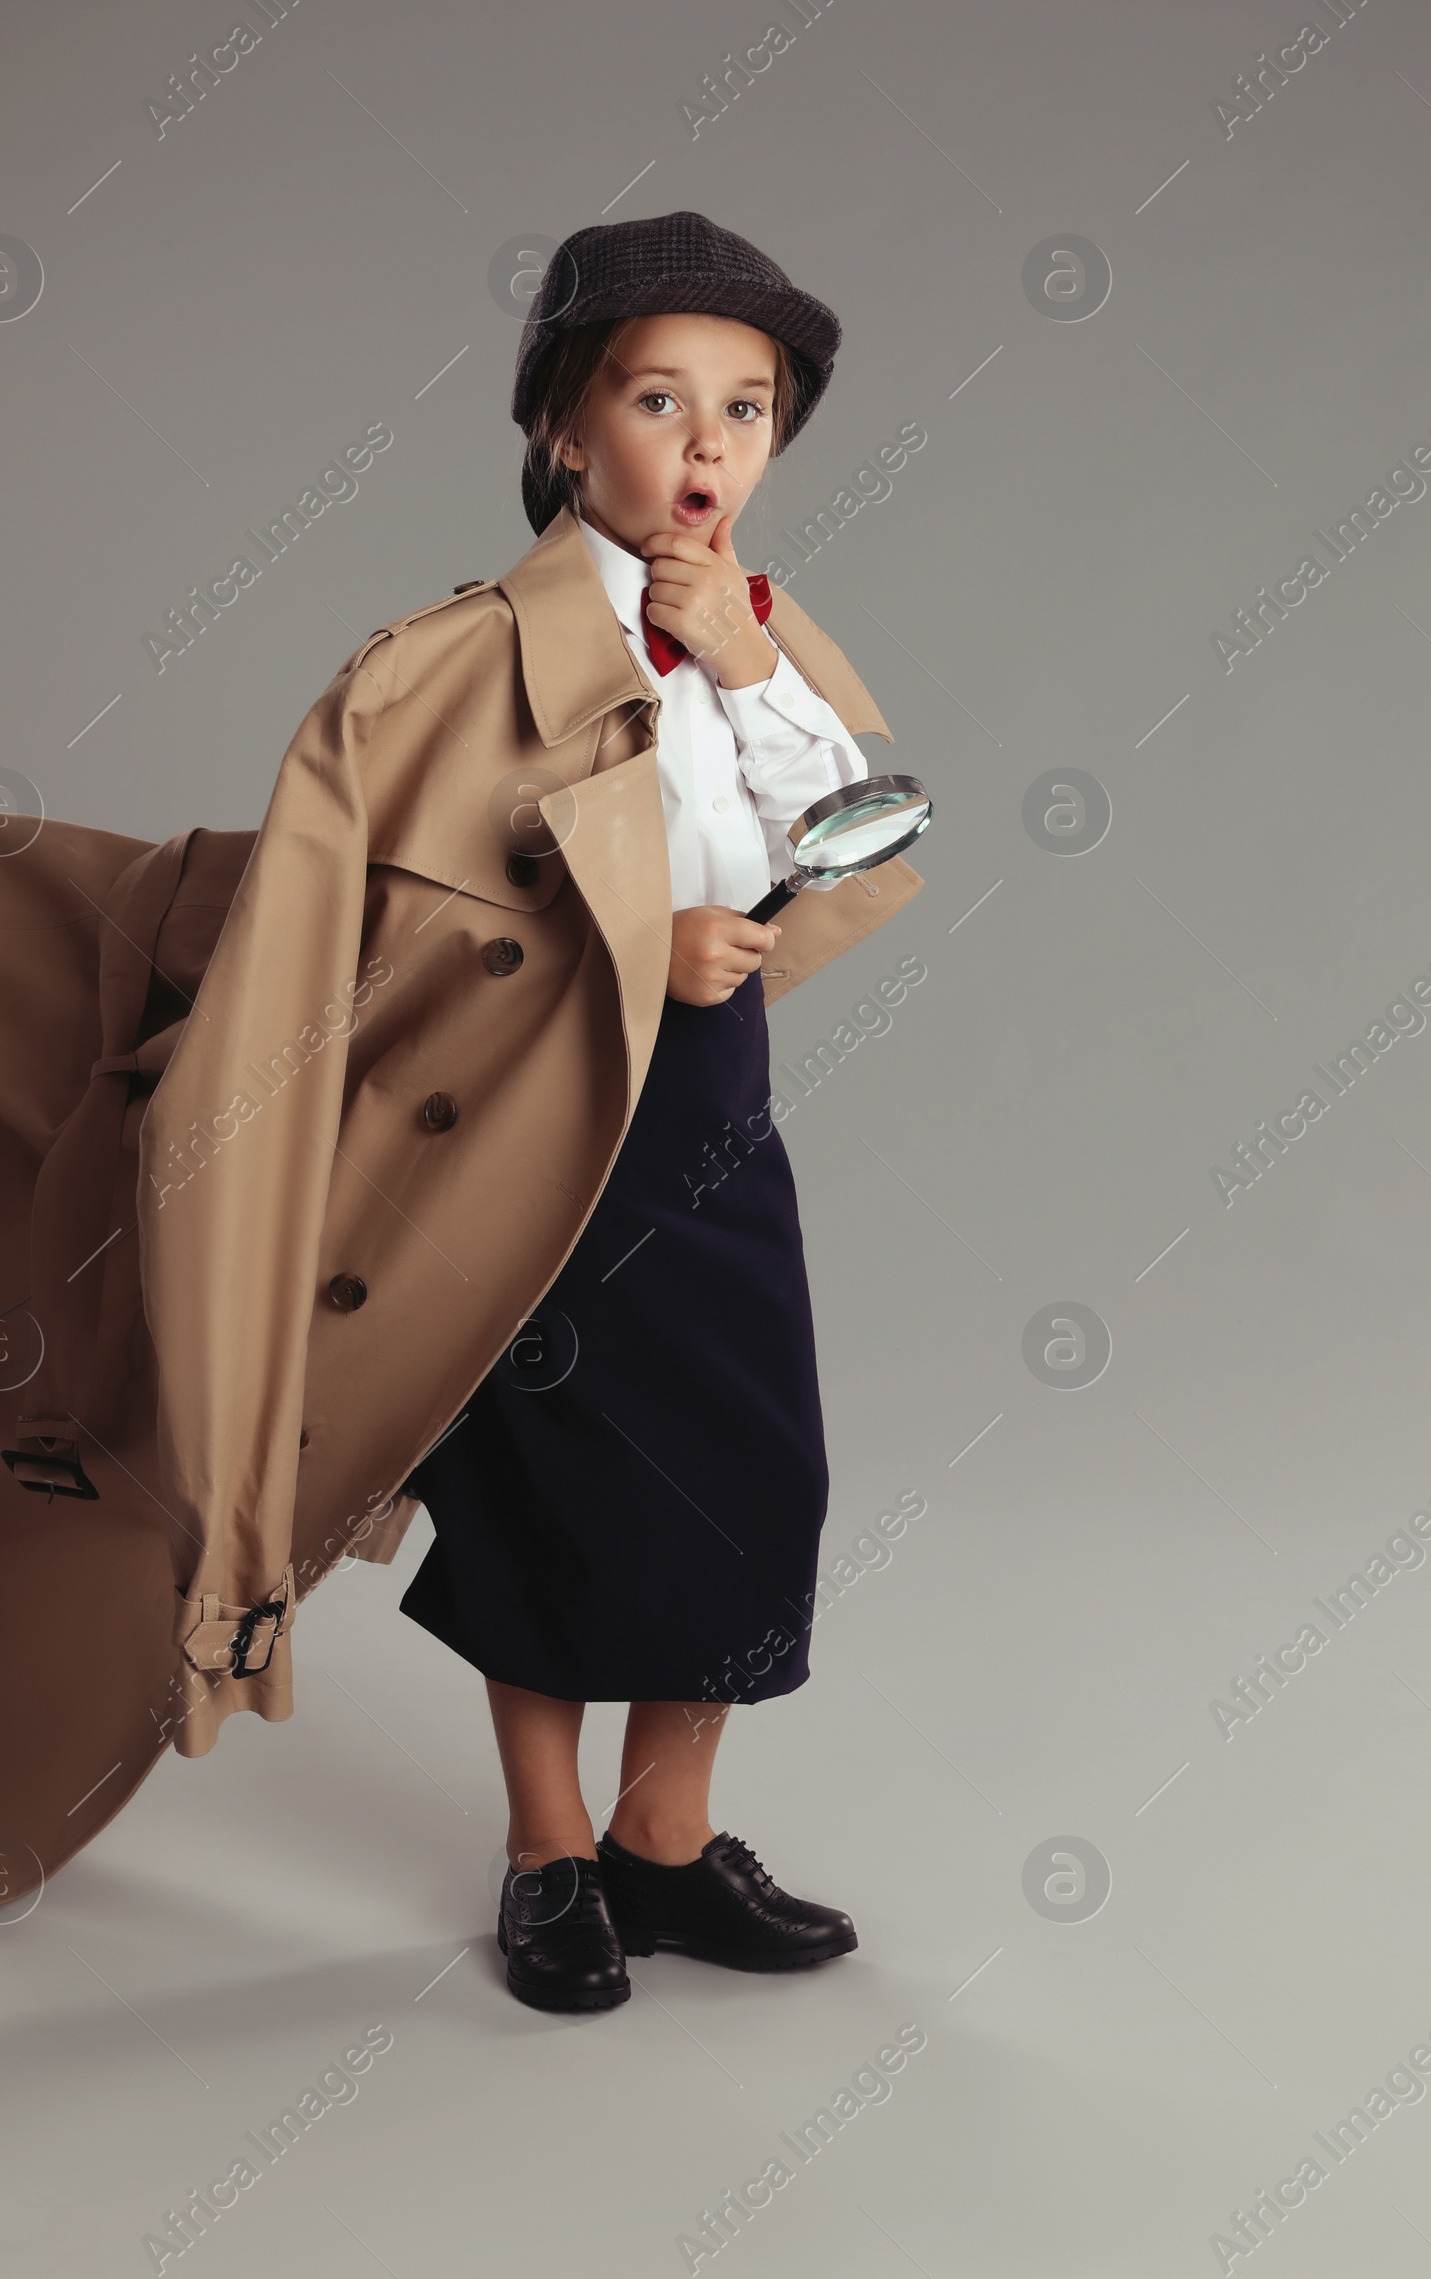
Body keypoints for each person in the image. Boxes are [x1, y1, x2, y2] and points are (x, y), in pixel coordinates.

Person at [397, 211, 883, 2014]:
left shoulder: (762, 629)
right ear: (560, 431)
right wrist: (621, 944)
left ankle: (663, 1849)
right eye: (660, 399)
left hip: (708, 1102)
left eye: (746, 410)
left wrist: (748, 669)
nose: (706, 446)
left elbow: (855, 831)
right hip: (537, 1111)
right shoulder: (468, 654)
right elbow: (406, 919)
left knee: (754, 1469)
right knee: (540, 1475)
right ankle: (547, 1854)